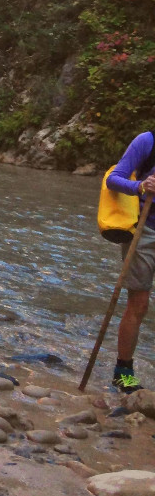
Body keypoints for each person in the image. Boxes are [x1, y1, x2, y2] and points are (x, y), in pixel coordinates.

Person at [104, 133, 155, 393]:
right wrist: (141, 186)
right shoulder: (147, 141)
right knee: (139, 303)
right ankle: (123, 373)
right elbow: (114, 179)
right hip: (144, 230)